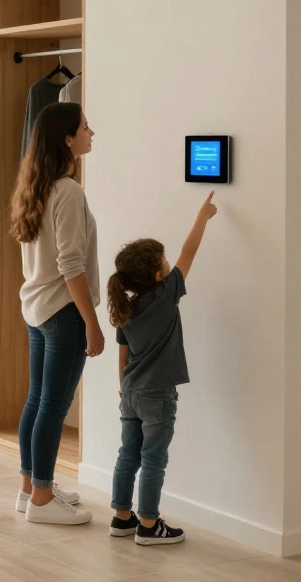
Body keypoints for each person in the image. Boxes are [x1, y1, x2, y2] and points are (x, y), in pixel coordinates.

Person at [107, 192, 218, 546]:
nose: (172, 262)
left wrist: (122, 386)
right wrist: (202, 217)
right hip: (157, 394)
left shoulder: (126, 308)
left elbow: (122, 354)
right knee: (153, 459)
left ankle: (122, 517)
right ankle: (150, 525)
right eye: (164, 260)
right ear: (158, 275)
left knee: (128, 454)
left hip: (131, 393)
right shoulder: (166, 295)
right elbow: (190, 252)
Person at [10, 101, 100, 525]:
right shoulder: (68, 191)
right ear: (67, 139)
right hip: (63, 313)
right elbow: (71, 266)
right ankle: (43, 501)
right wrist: (92, 323)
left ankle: (31, 486)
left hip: (37, 308)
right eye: (85, 127)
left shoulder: (37, 185)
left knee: (37, 401)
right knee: (53, 406)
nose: (91, 133)